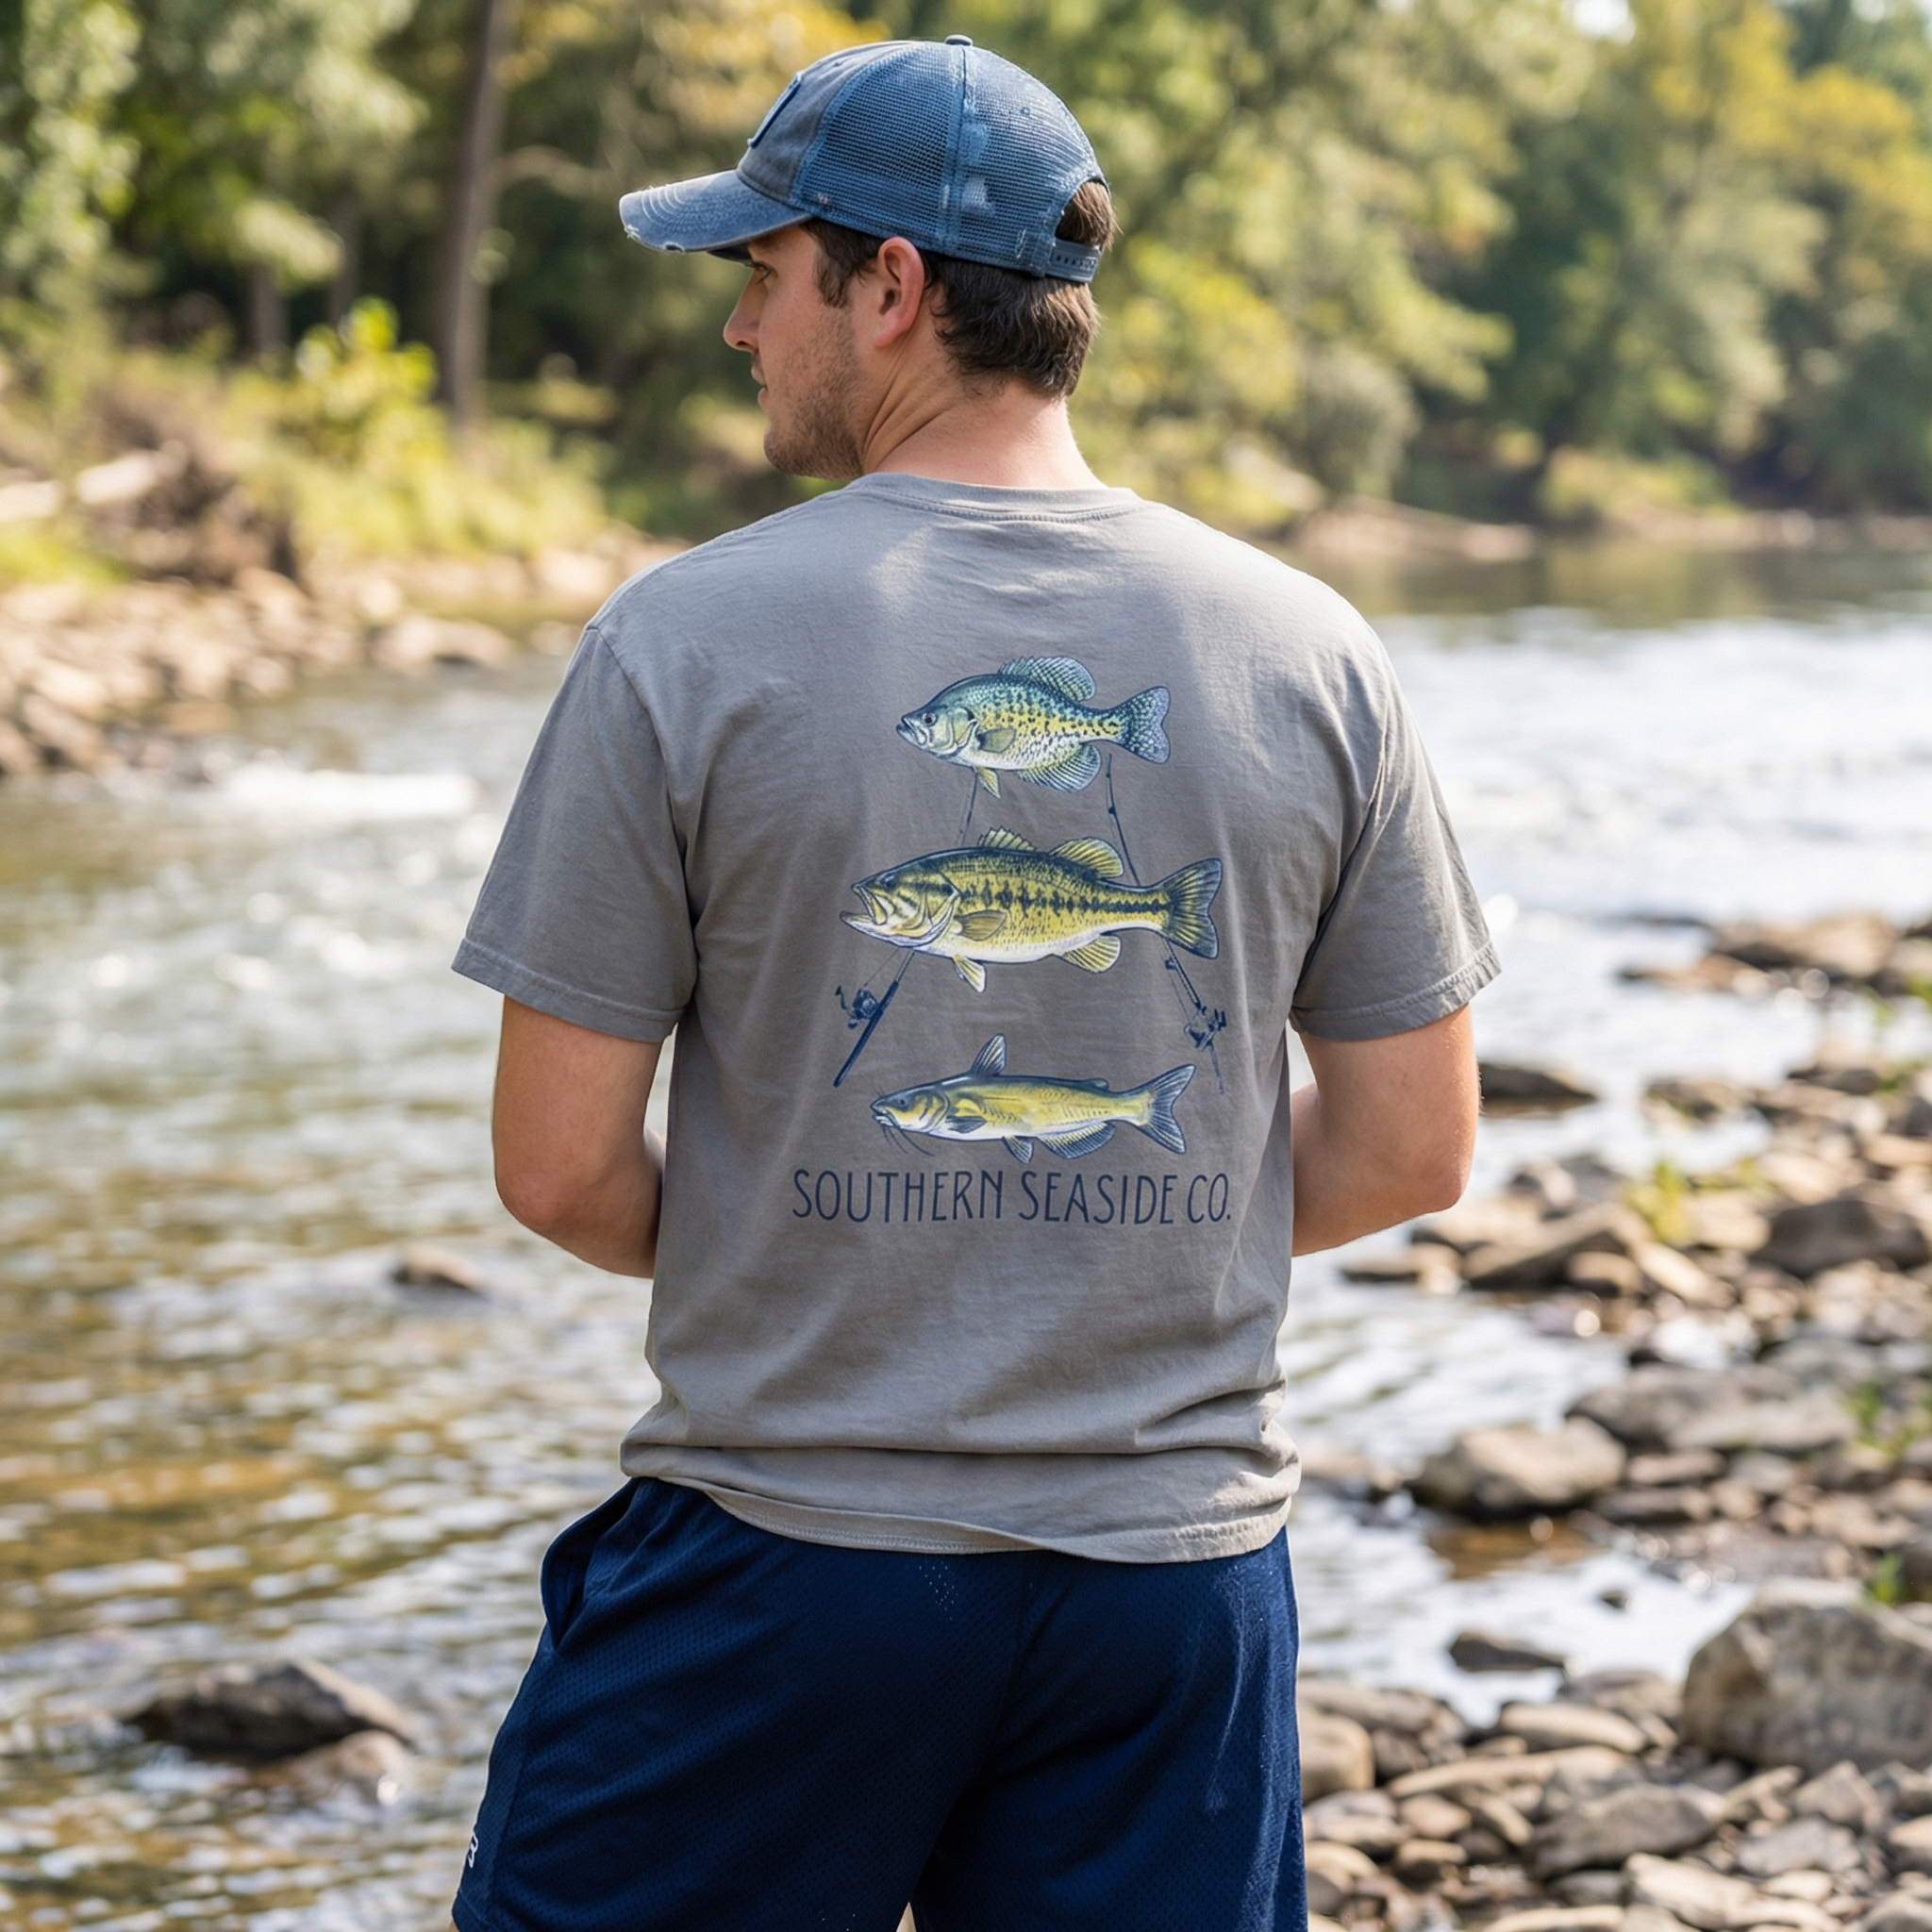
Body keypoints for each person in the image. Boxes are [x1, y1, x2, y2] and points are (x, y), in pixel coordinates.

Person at [449, 35, 1495, 1932]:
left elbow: (558, 1172)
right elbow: (1416, 1150)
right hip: (1173, 1601)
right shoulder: (1310, 648)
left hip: (784, 1573)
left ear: (893, 286)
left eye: (762, 274)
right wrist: (1088, 1229)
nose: (740, 328)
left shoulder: (678, 640)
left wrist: (837, 1249)